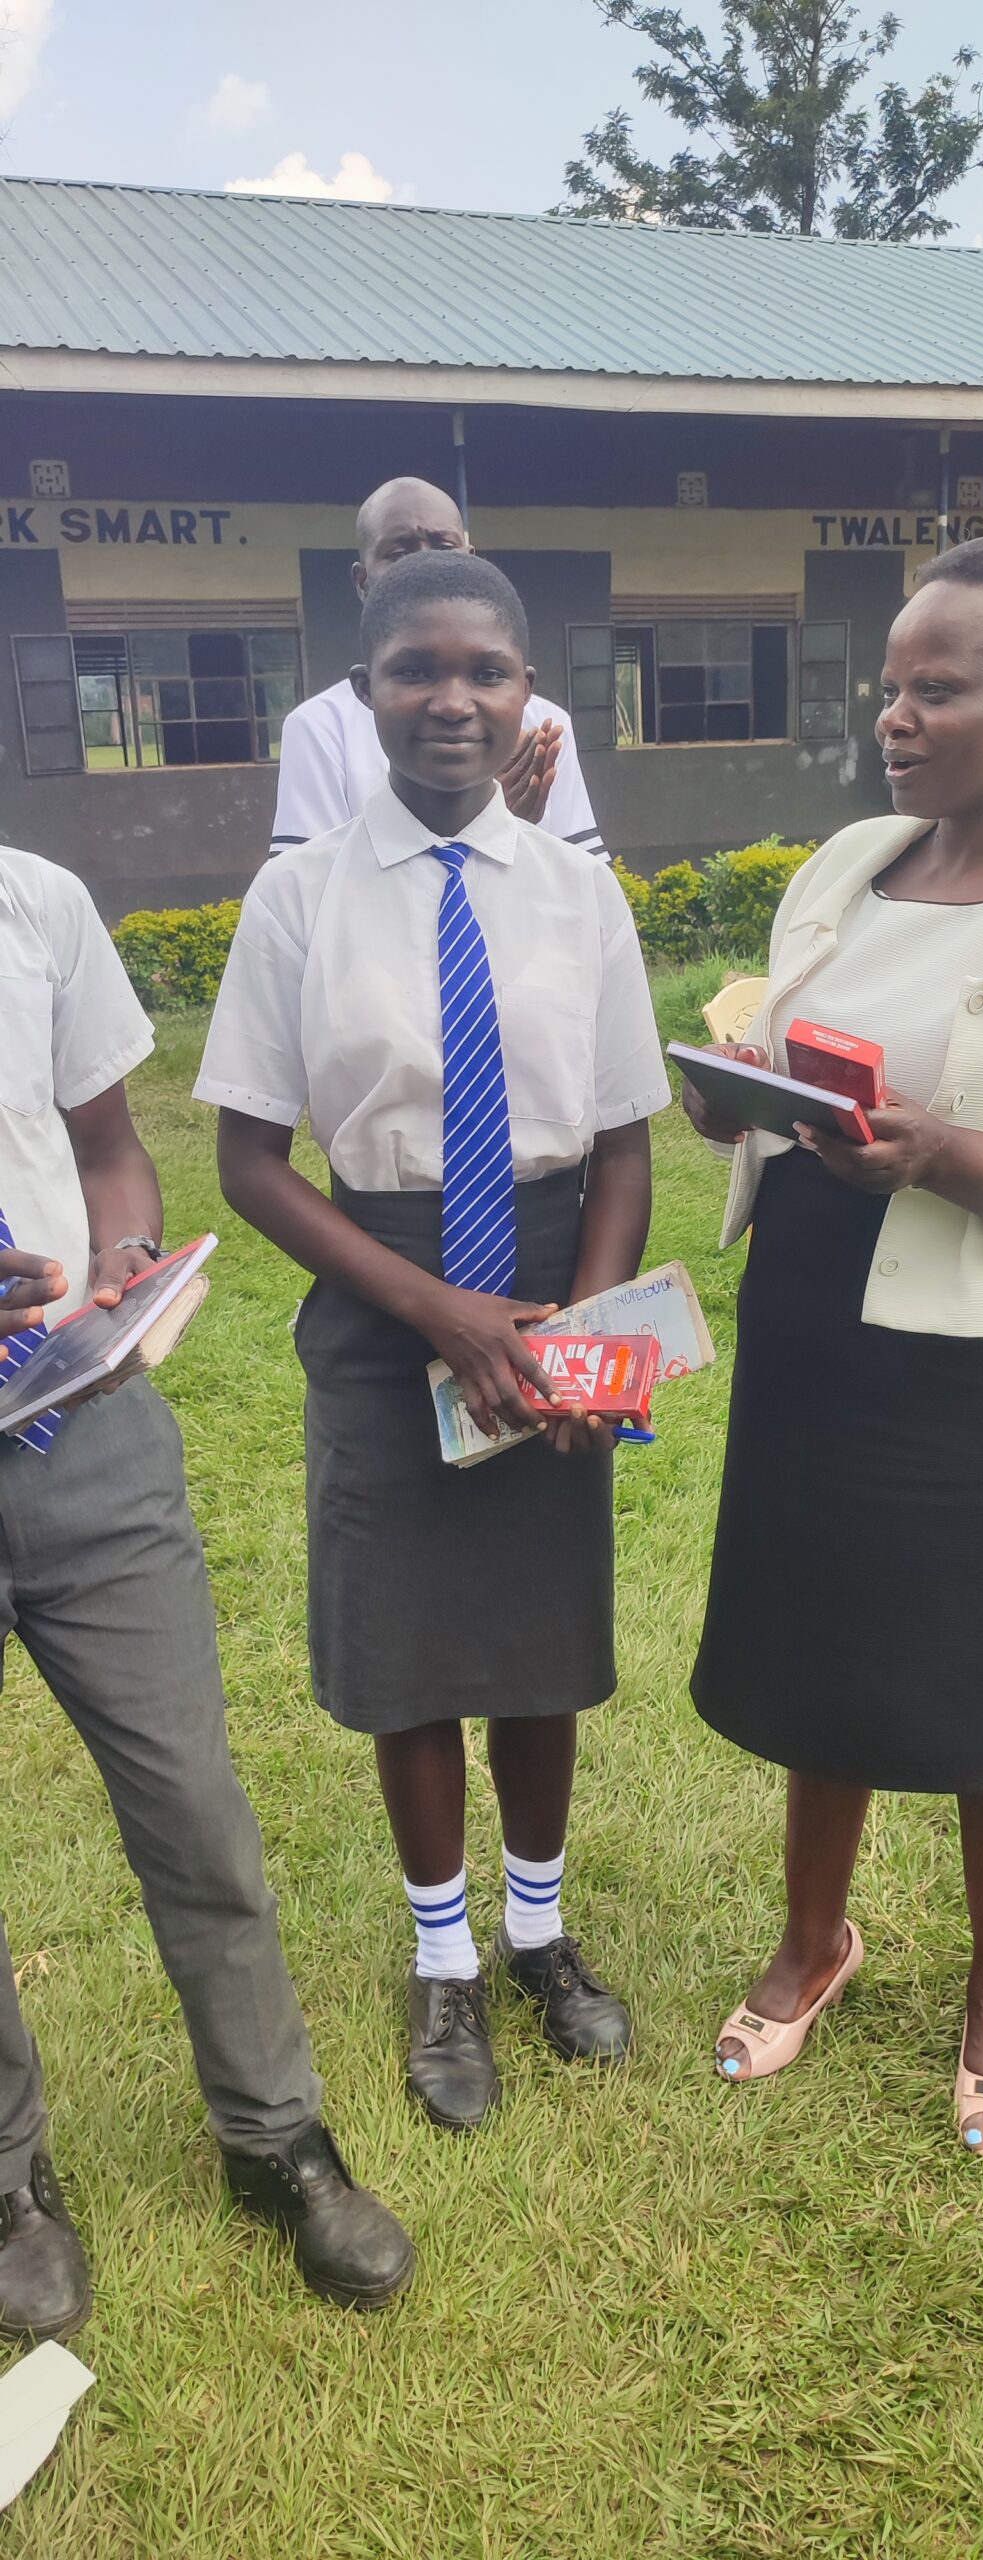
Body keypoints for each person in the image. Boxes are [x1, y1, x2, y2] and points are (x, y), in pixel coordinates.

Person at [683, 533, 983, 2158]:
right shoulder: (847, 864)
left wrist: (954, 1158)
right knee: (824, 1641)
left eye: (936, 687)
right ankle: (817, 1937)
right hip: (820, 1315)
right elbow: (778, 1029)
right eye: (889, 687)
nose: (895, 717)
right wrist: (727, 1092)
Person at [195, 549, 669, 2133]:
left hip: (549, 1277)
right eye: (417, 669)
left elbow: (625, 1145)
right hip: (385, 1280)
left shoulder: (578, 889)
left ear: (530, 693)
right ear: (365, 690)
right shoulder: (301, 893)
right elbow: (251, 1160)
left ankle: (540, 1931)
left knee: (540, 1638)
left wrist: (582, 1331)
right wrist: (437, 1318)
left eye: (488, 670)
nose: (453, 699)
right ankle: (446, 1960)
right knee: (409, 1654)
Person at [0, 852, 415, 2341]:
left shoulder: (36, 903)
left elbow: (108, 1141)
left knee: (192, 1800)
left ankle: (274, 2137)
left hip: (76, 1429)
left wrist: (121, 1248)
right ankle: (9, 2181)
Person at [270, 475, 608, 859]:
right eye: (399, 553)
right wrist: (478, 826)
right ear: (362, 580)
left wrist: (503, 830)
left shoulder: (542, 725)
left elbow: (583, 892)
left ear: (471, 561)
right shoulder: (320, 727)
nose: (453, 707)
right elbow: (313, 897)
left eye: (444, 548)